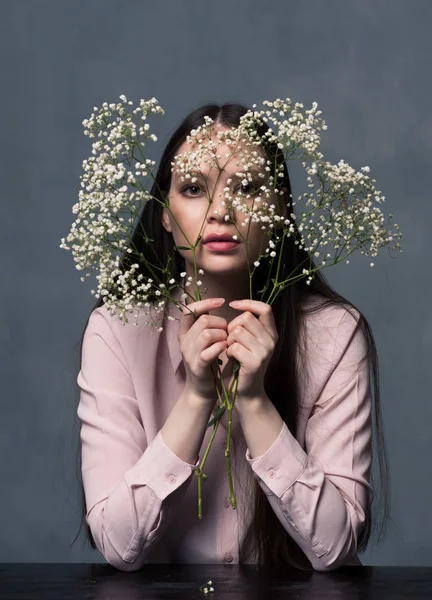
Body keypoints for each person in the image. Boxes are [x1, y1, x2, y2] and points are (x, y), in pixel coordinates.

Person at [72, 102, 390, 572]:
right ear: (163, 212)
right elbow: (118, 546)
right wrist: (197, 398)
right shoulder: (117, 330)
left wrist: (255, 402)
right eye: (195, 188)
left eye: (246, 188)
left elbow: (335, 547)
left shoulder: (335, 333)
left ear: (280, 210)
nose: (221, 211)